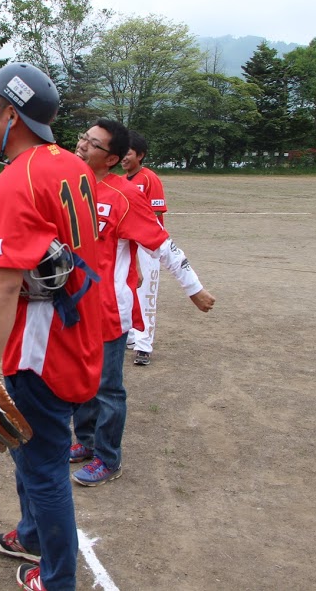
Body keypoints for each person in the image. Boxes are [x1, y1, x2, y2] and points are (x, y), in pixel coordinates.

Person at [0, 63, 104, 591]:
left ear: (12, 114)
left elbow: (2, 286)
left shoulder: (16, 179)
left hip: (43, 345)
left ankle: (59, 579)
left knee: (44, 466)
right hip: (80, 328)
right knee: (34, 454)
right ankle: (29, 533)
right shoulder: (71, 163)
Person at [69, 120, 216, 486]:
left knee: (107, 387)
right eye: (83, 138)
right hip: (74, 305)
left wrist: (193, 288)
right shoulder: (70, 188)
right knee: (81, 380)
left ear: (113, 158)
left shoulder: (124, 195)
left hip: (107, 306)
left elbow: (163, 244)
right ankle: (85, 442)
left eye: (93, 143)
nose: (83, 145)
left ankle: (108, 458)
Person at [122, 131, 168, 365]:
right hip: (128, 243)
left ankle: (144, 346)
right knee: (129, 289)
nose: (123, 157)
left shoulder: (149, 178)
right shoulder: (124, 180)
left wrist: (148, 242)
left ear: (140, 155)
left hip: (147, 245)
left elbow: (157, 214)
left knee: (146, 292)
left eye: (128, 152)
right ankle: (131, 336)